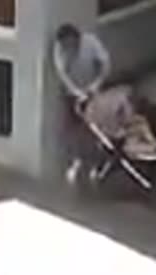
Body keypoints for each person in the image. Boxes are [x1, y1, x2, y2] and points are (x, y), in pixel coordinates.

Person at [53, 24, 111, 183]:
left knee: (93, 129)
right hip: (72, 94)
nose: (67, 47)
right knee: (70, 129)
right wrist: (78, 93)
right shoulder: (59, 49)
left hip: (92, 89)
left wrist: (94, 86)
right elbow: (63, 74)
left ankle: (96, 164)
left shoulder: (90, 42)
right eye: (64, 45)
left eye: (69, 44)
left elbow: (105, 64)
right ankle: (75, 162)